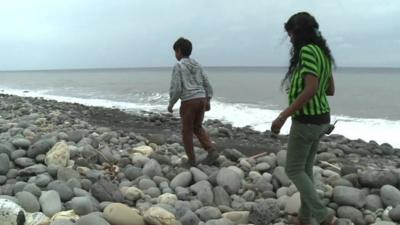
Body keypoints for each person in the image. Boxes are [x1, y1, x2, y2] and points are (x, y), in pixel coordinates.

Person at [270, 12, 337, 225]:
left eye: (290, 33)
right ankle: (305, 217)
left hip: (306, 120)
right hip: (322, 119)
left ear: (298, 32)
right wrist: (305, 87)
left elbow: (311, 89)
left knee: (293, 169)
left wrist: (282, 116)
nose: (289, 38)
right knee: (305, 169)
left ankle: (323, 215)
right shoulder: (323, 54)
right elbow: (330, 89)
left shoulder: (307, 51)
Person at [168, 37, 218, 167]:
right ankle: (211, 151)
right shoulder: (197, 65)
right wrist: (208, 99)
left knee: (187, 131)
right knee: (197, 126)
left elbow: (177, 88)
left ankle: (191, 160)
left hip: (189, 101)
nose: (175, 55)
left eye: (175, 52)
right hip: (201, 98)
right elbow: (207, 84)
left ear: (178, 51)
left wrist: (171, 103)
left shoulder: (178, 66)